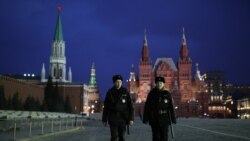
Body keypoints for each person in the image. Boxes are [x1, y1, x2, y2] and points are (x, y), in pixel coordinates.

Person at [143, 76, 176, 141]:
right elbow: (147, 107)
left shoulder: (167, 94)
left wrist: (173, 118)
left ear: (163, 84)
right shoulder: (151, 94)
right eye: (157, 83)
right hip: (154, 118)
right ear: (156, 84)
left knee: (164, 137)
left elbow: (171, 107)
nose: (159, 84)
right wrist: (145, 118)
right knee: (155, 137)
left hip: (165, 119)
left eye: (161, 83)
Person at [102, 74, 134, 141]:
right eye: (117, 82)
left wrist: (131, 118)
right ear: (114, 82)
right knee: (114, 137)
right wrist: (104, 119)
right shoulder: (110, 92)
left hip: (123, 118)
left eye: (120, 82)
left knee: (122, 137)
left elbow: (130, 106)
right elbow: (106, 107)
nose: (119, 83)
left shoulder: (125, 91)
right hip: (113, 118)